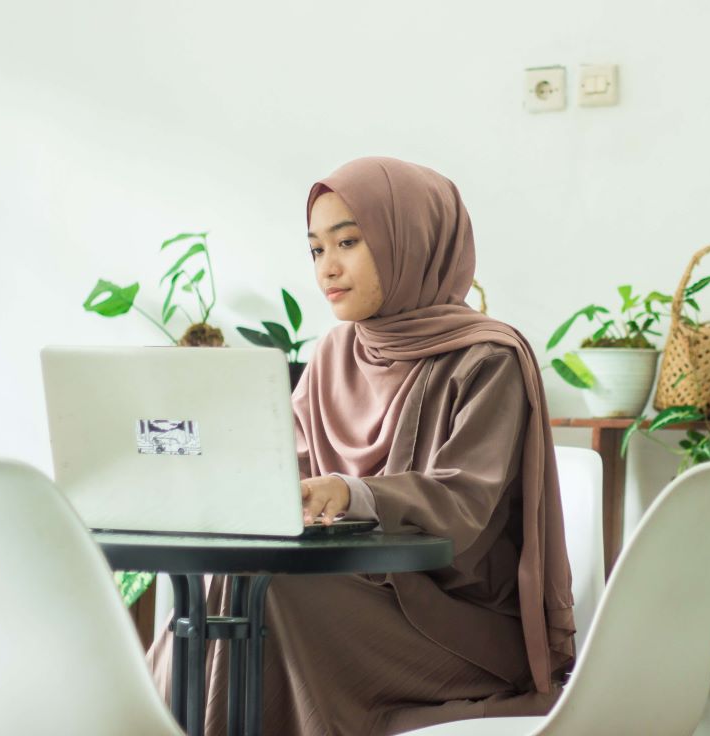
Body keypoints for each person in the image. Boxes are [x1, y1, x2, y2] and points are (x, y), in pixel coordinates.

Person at [147, 157, 576, 736]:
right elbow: (285, 469)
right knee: (229, 582)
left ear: (414, 243)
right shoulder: (331, 355)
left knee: (279, 598)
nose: (328, 267)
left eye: (348, 241)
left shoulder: (487, 359)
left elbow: (464, 502)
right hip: (353, 597)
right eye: (316, 250)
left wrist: (350, 493)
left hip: (455, 621)